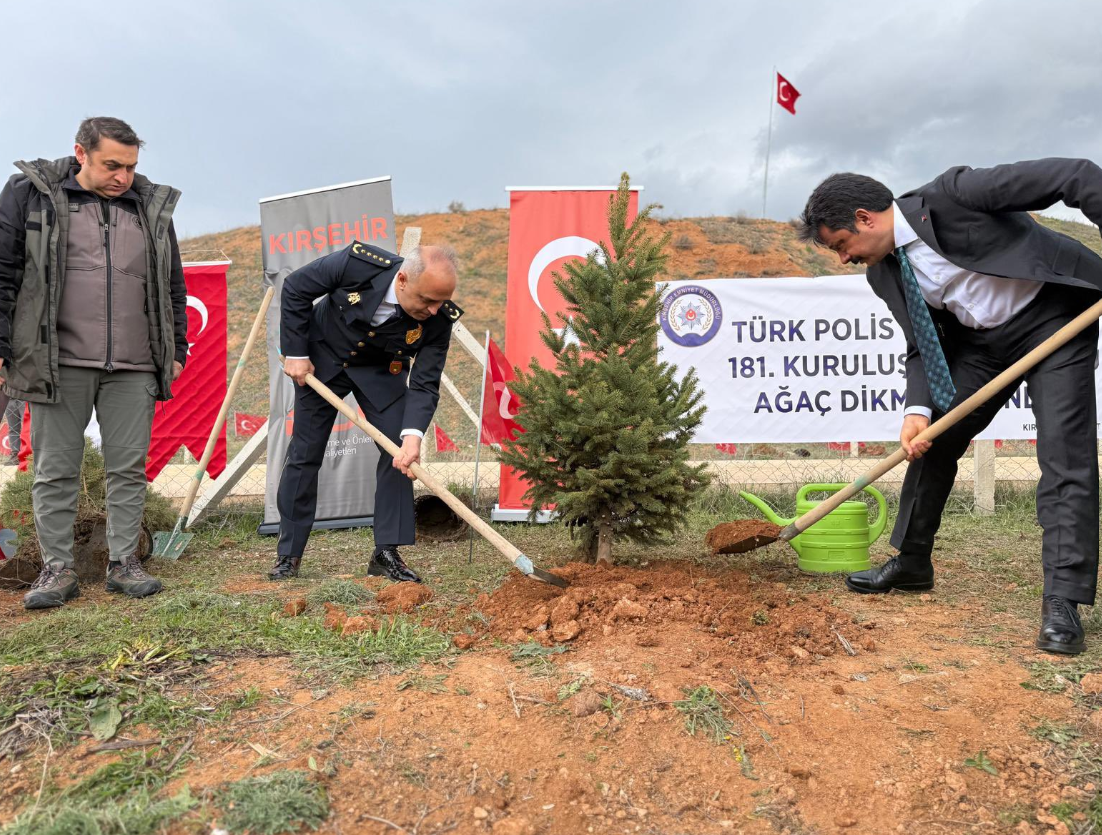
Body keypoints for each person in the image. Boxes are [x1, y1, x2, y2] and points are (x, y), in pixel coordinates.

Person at [798, 159, 1102, 656]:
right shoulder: (884, 274)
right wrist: (916, 410)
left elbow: (1076, 177)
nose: (842, 258)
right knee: (931, 439)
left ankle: (1063, 600)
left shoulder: (956, 194)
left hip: (1054, 320)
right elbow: (921, 342)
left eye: (840, 245)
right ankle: (912, 562)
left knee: (1065, 457)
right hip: (983, 348)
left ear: (865, 217)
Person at [0, 116, 189, 609]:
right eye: (111, 165)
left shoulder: (149, 208)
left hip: (135, 364)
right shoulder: (30, 195)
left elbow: (172, 283)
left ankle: (124, 563)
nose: (122, 177)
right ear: (80, 153)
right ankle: (57, 569)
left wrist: (177, 350)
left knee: (128, 469)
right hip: (55, 359)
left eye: (129, 167)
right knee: (54, 469)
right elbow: (4, 273)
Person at [271, 242, 461, 583]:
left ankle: (386, 552)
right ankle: (289, 553)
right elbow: (297, 287)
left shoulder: (439, 319)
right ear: (402, 280)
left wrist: (413, 435)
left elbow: (425, 383)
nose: (434, 310)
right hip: (323, 360)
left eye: (441, 302)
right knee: (305, 452)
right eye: (427, 300)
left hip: (380, 373)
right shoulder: (357, 264)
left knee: (399, 455)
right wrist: (296, 351)